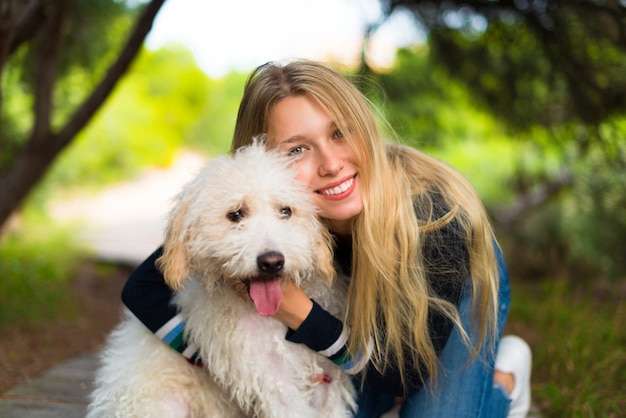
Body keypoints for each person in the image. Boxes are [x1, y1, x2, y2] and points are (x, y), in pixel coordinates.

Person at [122, 60, 532, 417]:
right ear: (263, 160)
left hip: (446, 296)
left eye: (340, 133)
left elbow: (402, 372)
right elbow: (143, 288)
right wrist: (220, 362)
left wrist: (298, 312)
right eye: (297, 149)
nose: (332, 164)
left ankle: (505, 382)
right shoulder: (272, 214)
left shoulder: (434, 217)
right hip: (362, 330)